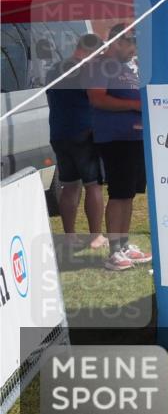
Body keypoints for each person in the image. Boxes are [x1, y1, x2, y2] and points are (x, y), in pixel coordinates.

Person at [83, 24, 152, 271]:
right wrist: (134, 105)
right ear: (116, 42)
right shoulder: (99, 65)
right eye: (131, 43)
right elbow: (97, 98)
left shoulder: (129, 67)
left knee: (129, 193)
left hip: (135, 138)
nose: (134, 49)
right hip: (115, 138)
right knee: (119, 192)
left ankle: (123, 244)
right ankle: (114, 251)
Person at [46, 33, 108, 251]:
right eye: (99, 55)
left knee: (69, 186)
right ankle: (95, 236)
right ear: (90, 51)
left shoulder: (54, 69)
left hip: (59, 133)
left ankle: (70, 236)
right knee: (93, 185)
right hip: (84, 132)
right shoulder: (86, 70)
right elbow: (96, 98)